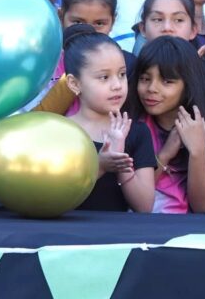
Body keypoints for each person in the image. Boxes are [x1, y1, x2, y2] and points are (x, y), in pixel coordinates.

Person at [128, 36, 205, 213]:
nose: (152, 88)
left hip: (183, 231)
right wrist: (166, 154)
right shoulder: (130, 125)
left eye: (167, 81)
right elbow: (131, 196)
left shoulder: (204, 128)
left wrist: (197, 150)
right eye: (145, 79)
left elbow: (202, 206)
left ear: (189, 85)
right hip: (134, 226)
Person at [62, 24, 155, 212]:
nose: (117, 85)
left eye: (121, 75)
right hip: (67, 236)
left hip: (118, 238)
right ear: (74, 83)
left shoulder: (137, 132)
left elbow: (144, 206)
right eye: (104, 77)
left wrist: (121, 162)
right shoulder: (61, 131)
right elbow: (56, 197)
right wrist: (99, 165)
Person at [33, 0, 136, 114]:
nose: (87, 31)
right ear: (61, 17)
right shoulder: (45, 63)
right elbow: (34, 116)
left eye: (99, 23)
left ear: (113, 21)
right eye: (78, 22)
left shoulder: (127, 65)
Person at [136, 0, 205, 112]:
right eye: (157, 19)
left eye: (178, 20)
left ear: (193, 30)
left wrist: (192, 72)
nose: (167, 28)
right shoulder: (130, 71)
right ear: (143, 29)